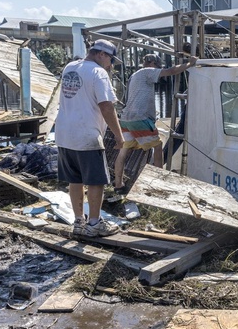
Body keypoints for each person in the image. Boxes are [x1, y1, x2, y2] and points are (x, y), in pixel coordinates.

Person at [54, 39, 124, 237]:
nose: (110, 65)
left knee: (74, 179)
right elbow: (107, 106)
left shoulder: (70, 67)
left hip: (64, 133)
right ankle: (94, 224)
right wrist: (119, 136)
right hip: (86, 134)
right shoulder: (98, 72)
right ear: (101, 54)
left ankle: (78, 222)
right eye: (110, 59)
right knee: (95, 181)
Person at [113, 52, 197, 194]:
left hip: (126, 118)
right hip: (140, 118)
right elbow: (171, 71)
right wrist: (190, 63)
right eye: (157, 66)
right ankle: (159, 184)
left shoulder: (135, 75)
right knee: (158, 147)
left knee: (123, 152)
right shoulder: (148, 71)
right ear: (152, 63)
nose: (158, 69)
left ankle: (118, 185)